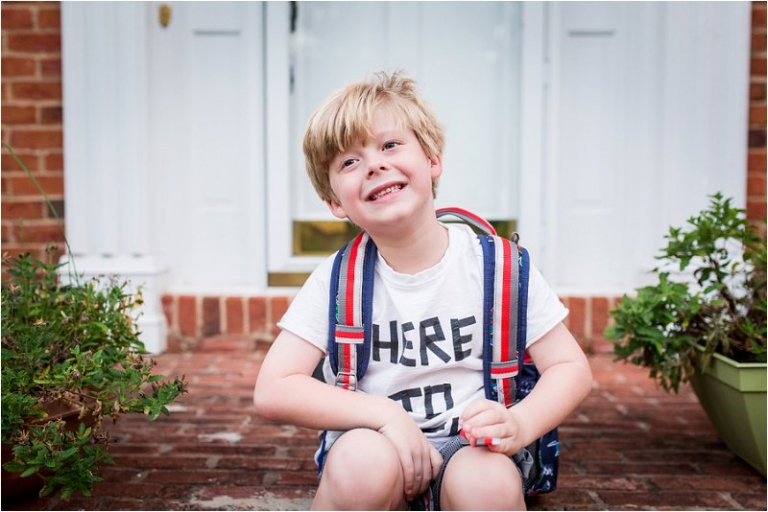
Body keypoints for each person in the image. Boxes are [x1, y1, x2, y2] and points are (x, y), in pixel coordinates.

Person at [253, 71, 593, 511]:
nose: (374, 165)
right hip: (376, 445)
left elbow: (571, 368)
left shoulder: (499, 268)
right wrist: (385, 415)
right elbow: (274, 389)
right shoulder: (337, 281)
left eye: (390, 145)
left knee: (487, 483)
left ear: (432, 159)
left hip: (474, 448)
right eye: (349, 162)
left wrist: (520, 423)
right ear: (335, 202)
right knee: (358, 466)